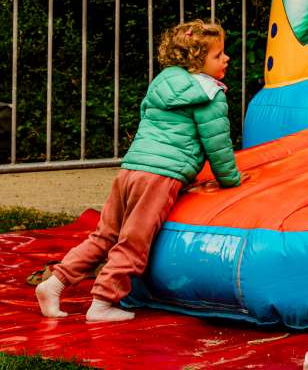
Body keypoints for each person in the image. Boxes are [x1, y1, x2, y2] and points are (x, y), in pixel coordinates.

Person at [36, 19, 241, 322]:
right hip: (161, 175)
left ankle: (55, 282)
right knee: (135, 240)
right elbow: (218, 144)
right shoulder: (209, 94)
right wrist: (230, 180)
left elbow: (148, 121)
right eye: (217, 55)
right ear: (197, 62)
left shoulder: (162, 84)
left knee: (104, 234)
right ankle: (103, 301)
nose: (225, 59)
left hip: (131, 170)